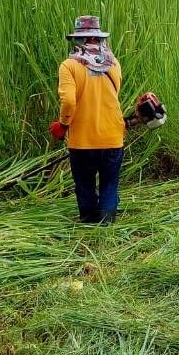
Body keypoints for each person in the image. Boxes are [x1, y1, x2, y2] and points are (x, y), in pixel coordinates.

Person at [57, 15, 125, 224]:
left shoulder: (69, 66)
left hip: (83, 141)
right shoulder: (114, 64)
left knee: (85, 186)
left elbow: (69, 101)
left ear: (78, 40)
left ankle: (88, 225)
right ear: (100, 38)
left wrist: (63, 124)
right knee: (109, 186)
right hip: (113, 137)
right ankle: (107, 227)